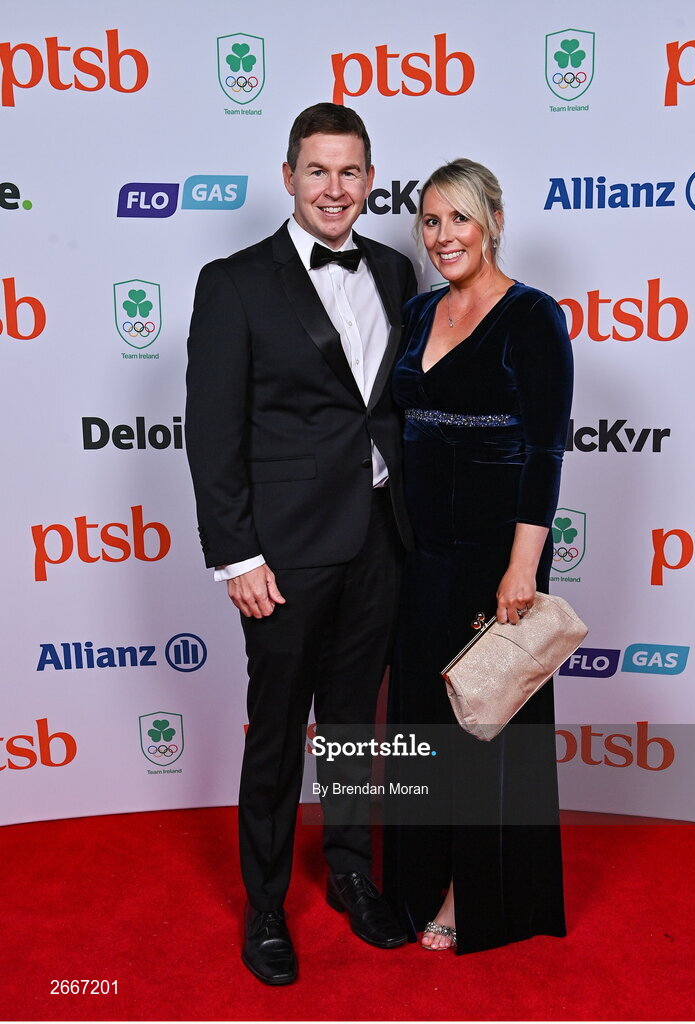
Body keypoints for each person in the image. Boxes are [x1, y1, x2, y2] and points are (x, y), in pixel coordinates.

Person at [185, 103, 417, 985]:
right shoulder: (234, 280)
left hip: (380, 543)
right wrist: (237, 557)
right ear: (288, 177)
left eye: (351, 171)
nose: (335, 188)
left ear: (370, 178)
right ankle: (266, 903)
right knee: (279, 732)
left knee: (355, 723)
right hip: (282, 554)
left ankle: (353, 873)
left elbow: (393, 407)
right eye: (318, 171)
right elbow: (212, 433)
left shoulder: (396, 271)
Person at [383, 159, 573, 954]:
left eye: (459, 218)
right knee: (425, 720)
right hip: (415, 553)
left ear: (492, 220)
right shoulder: (421, 309)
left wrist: (523, 566)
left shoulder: (533, 316)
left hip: (497, 557)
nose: (442, 236)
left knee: (484, 724)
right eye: (430, 220)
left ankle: (477, 891)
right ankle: (419, 874)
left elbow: (545, 449)